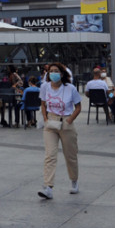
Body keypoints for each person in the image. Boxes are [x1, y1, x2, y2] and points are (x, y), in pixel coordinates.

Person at [38, 63, 82, 200]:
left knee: (70, 155)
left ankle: (74, 180)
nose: (53, 73)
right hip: (51, 123)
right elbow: (43, 104)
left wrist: (70, 120)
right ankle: (48, 187)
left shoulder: (70, 88)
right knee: (50, 155)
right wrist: (45, 118)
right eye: (50, 71)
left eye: (56, 71)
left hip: (66, 122)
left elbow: (78, 107)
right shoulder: (45, 87)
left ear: (62, 74)